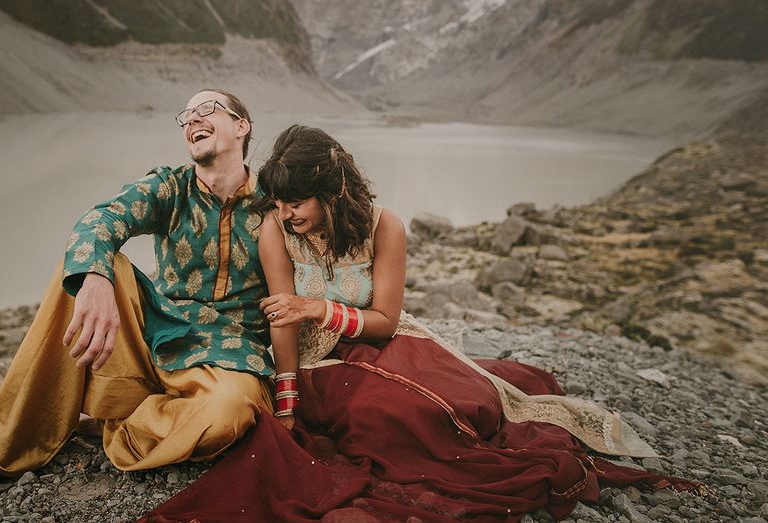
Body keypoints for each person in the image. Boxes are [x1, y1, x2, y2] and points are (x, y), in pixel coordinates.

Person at [142, 125, 697, 522]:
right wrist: (286, 406)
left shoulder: (386, 227)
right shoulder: (273, 230)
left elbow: (383, 321)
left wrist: (319, 307)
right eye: (279, 202)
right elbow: (285, 324)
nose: (286, 213)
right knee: (384, 414)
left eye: (296, 201)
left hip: (381, 338)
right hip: (317, 359)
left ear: (333, 189)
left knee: (467, 400)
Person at [0, 89, 291, 474]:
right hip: (157, 336)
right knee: (84, 269)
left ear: (242, 126)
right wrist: (96, 279)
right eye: (186, 116)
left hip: (232, 356)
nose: (192, 120)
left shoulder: (274, 201)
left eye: (206, 109)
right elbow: (100, 219)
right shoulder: (170, 187)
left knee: (230, 413)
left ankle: (126, 424)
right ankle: (11, 440)